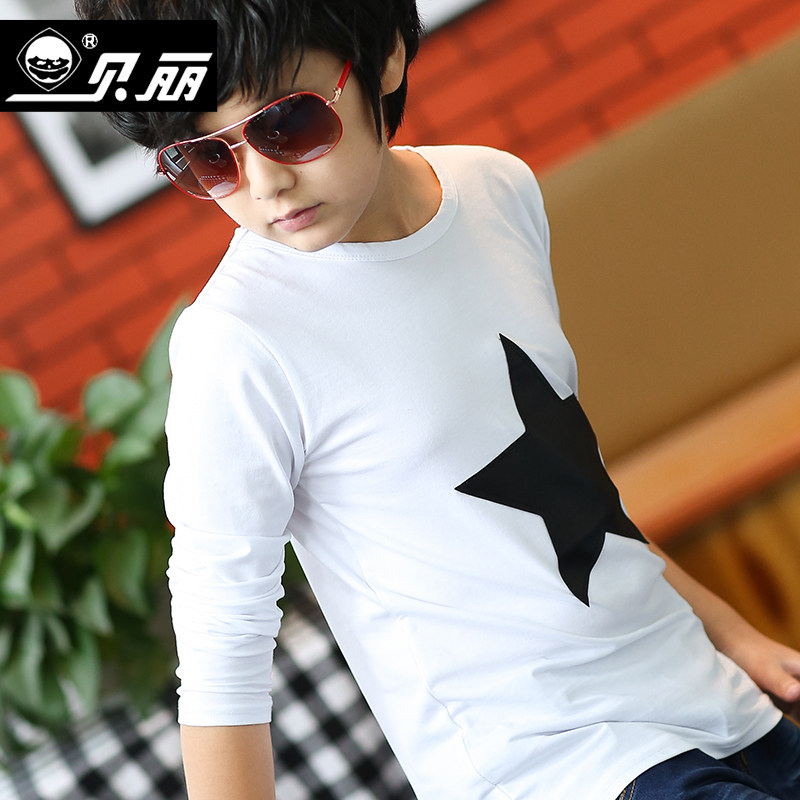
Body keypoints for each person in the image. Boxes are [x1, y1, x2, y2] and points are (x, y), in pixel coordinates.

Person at [75, 1, 800, 798]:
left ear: (385, 53)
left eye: (287, 123)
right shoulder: (238, 344)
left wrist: (729, 634)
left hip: (716, 703)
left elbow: (569, 489)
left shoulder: (493, 188)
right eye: (210, 159)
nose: (265, 182)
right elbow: (221, 656)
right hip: (550, 771)